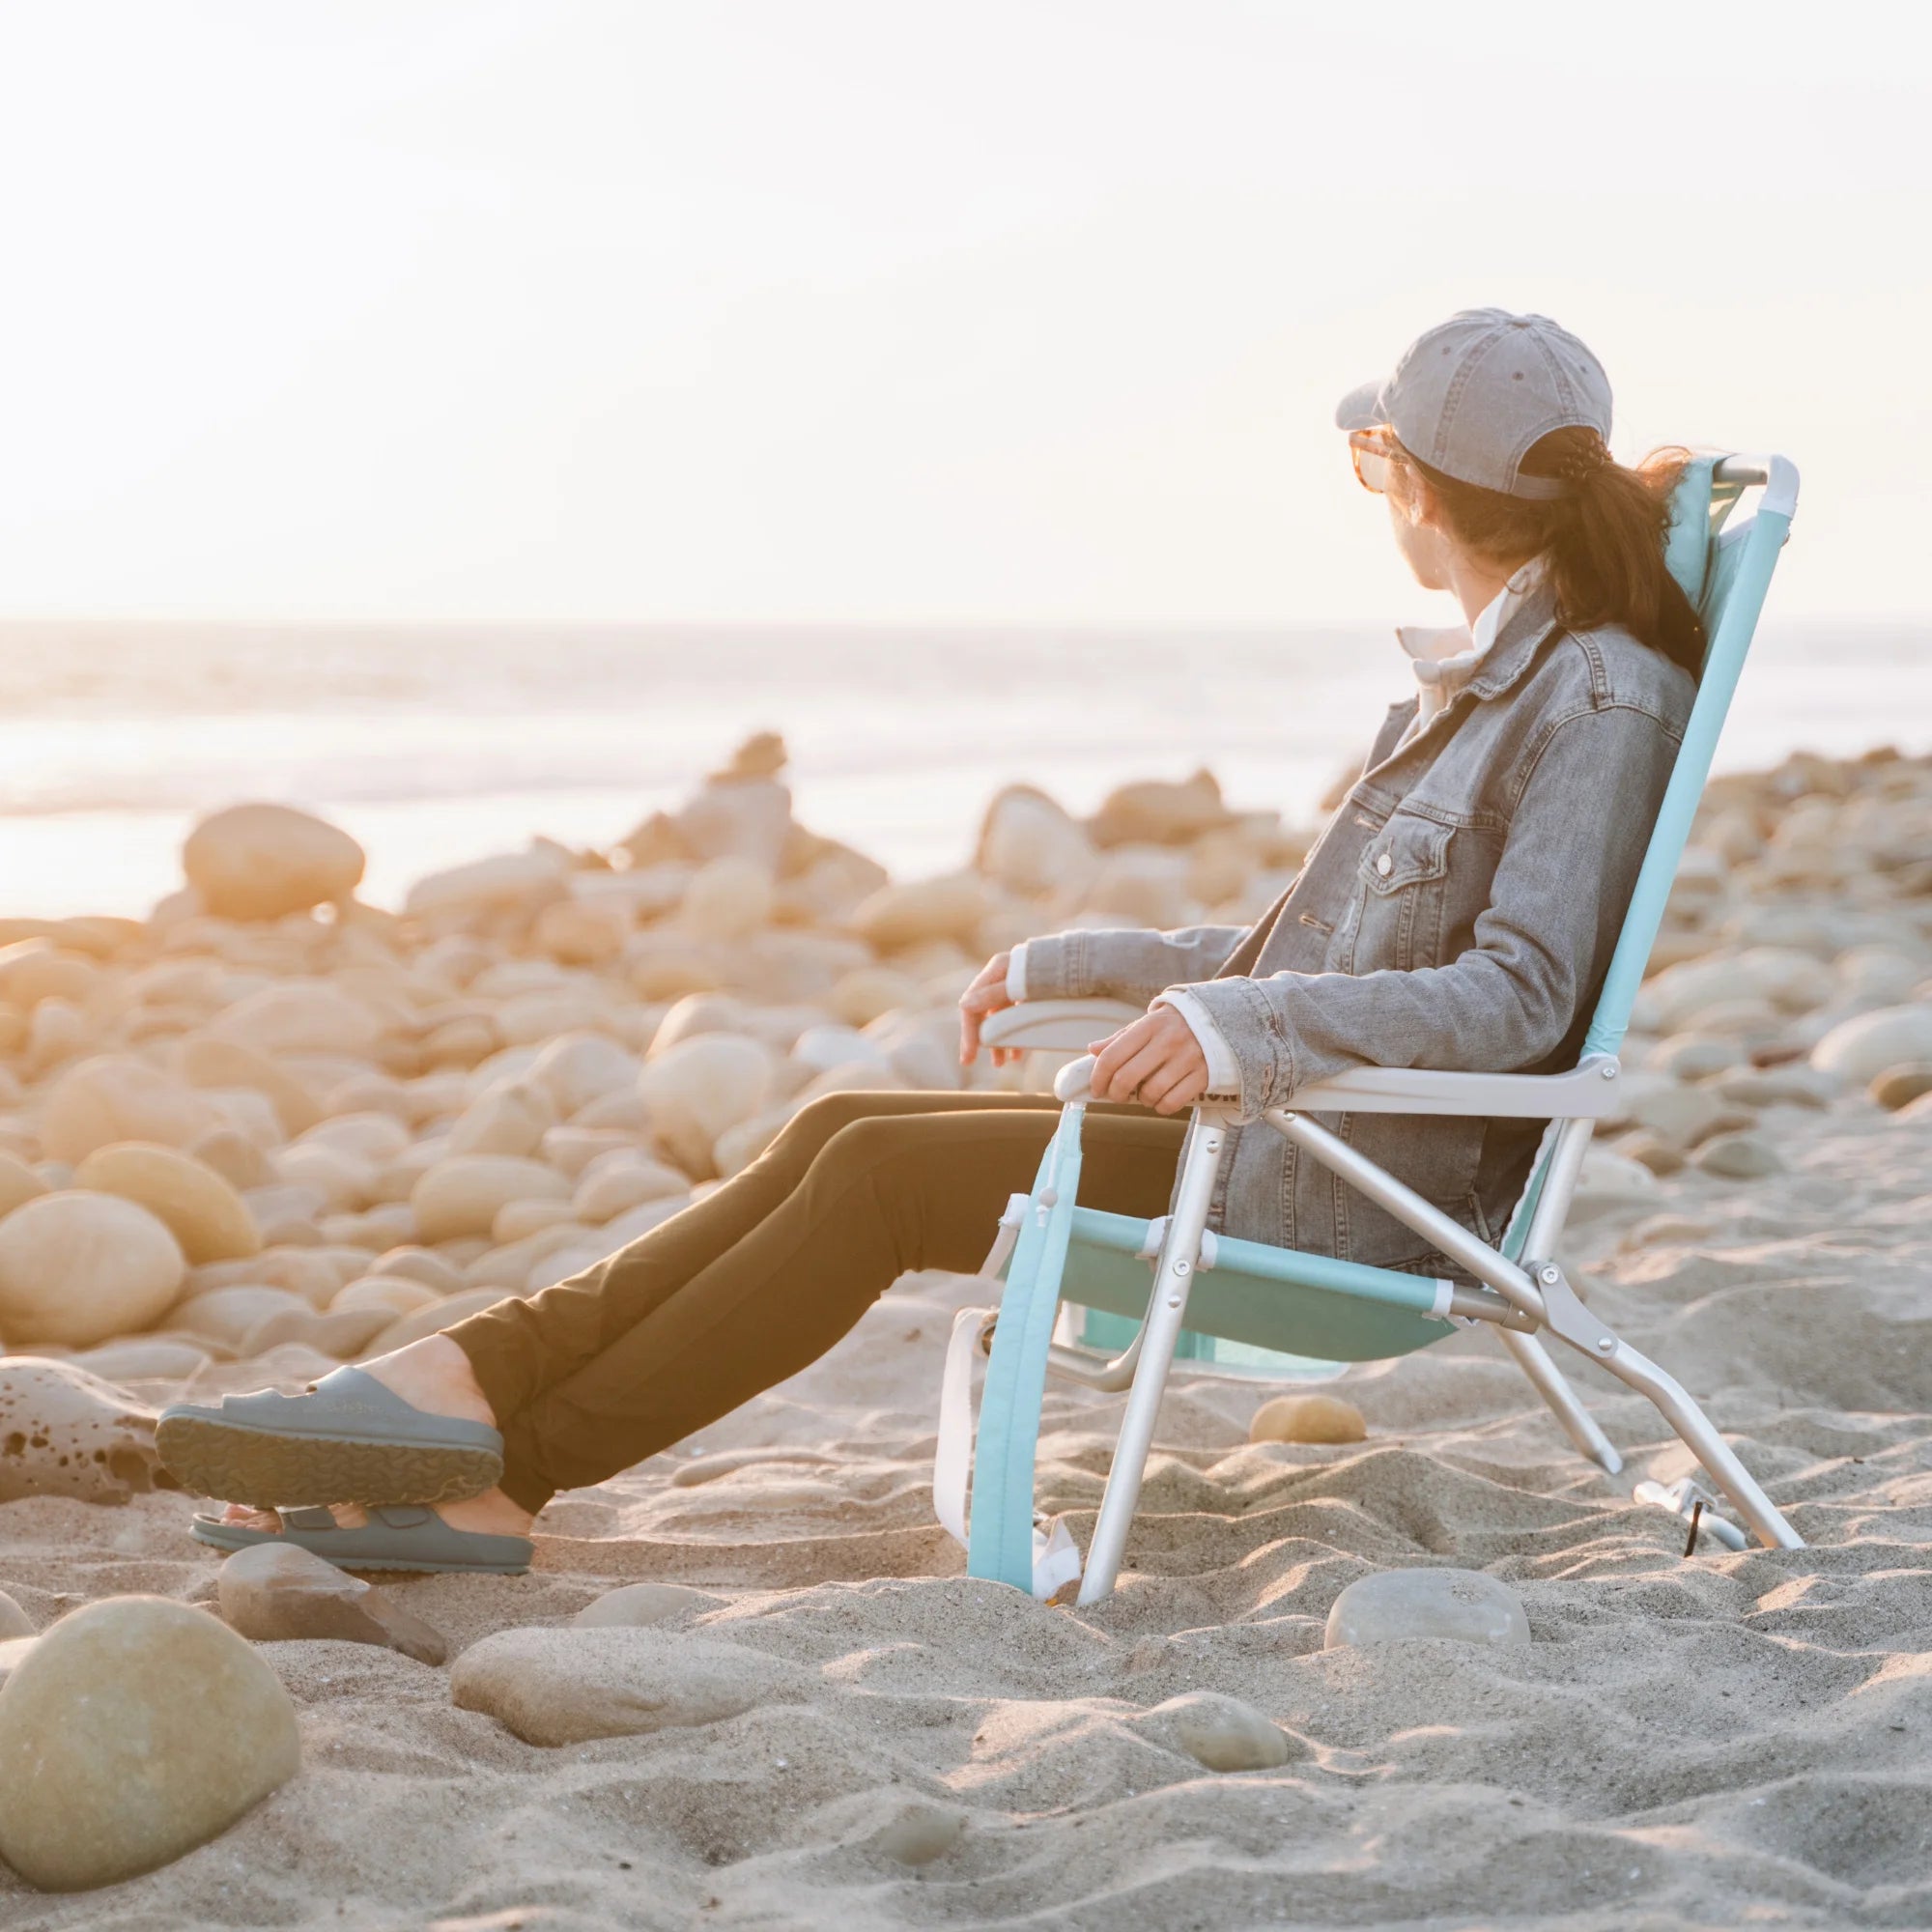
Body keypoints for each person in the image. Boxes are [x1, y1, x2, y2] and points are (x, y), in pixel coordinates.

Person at [157, 308, 1703, 1573]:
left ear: (1417, 491)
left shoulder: (1597, 692)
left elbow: (1519, 995)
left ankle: (511, 1471)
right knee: (841, 1120)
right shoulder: (1507, 670)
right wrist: (1085, 960)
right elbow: (1336, 941)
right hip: (1282, 1126)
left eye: (1375, 463)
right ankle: (473, 1377)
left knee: (879, 1183)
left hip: (1345, 1185)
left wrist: (1251, 1033)